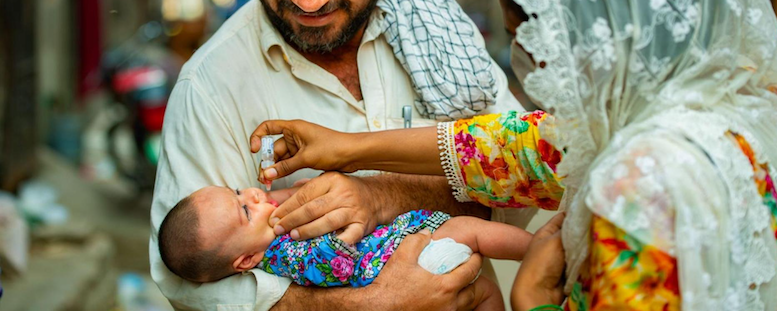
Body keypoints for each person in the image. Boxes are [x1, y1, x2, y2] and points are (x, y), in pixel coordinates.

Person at [251, 0, 777, 310]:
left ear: (593, 41)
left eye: (531, 44)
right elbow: (499, 149)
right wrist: (346, 149)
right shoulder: (736, 118)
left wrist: (532, 298)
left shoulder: (639, 180)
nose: (529, 66)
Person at [149, 0, 531, 309]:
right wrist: (359, 304)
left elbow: (526, 178)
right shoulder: (210, 87)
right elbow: (187, 285)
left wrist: (381, 195)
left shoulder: (437, 31)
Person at [157, 186, 551, 311]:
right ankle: (545, 255)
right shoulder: (287, 254)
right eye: (245, 208)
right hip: (394, 265)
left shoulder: (274, 239)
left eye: (239, 191)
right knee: (469, 231)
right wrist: (341, 233)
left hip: (390, 259)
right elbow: (338, 268)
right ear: (246, 260)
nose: (254, 194)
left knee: (481, 289)